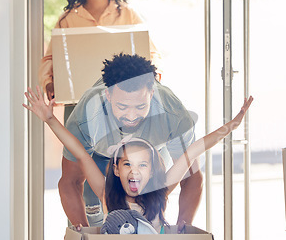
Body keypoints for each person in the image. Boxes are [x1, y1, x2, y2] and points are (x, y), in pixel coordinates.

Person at [24, 85, 253, 231]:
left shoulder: (160, 191)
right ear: (116, 169)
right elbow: (81, 153)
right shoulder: (107, 195)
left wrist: (230, 126)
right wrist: (50, 120)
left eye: (142, 165)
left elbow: (192, 151)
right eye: (127, 165)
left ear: (152, 171)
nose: (134, 171)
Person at [51, 52, 204, 229]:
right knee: (95, 212)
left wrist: (183, 228)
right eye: (122, 107)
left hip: (152, 152)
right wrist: (83, 234)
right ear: (108, 96)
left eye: (140, 107)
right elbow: (70, 181)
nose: (131, 117)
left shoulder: (174, 116)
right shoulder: (86, 118)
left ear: (152, 94)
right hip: (101, 155)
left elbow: (191, 178)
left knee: (150, 212)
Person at [39, 0, 161, 102]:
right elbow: (50, 58)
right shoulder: (67, 19)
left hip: (122, 102)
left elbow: (152, 53)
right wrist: (48, 83)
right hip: (78, 103)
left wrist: (154, 78)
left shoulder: (127, 14)